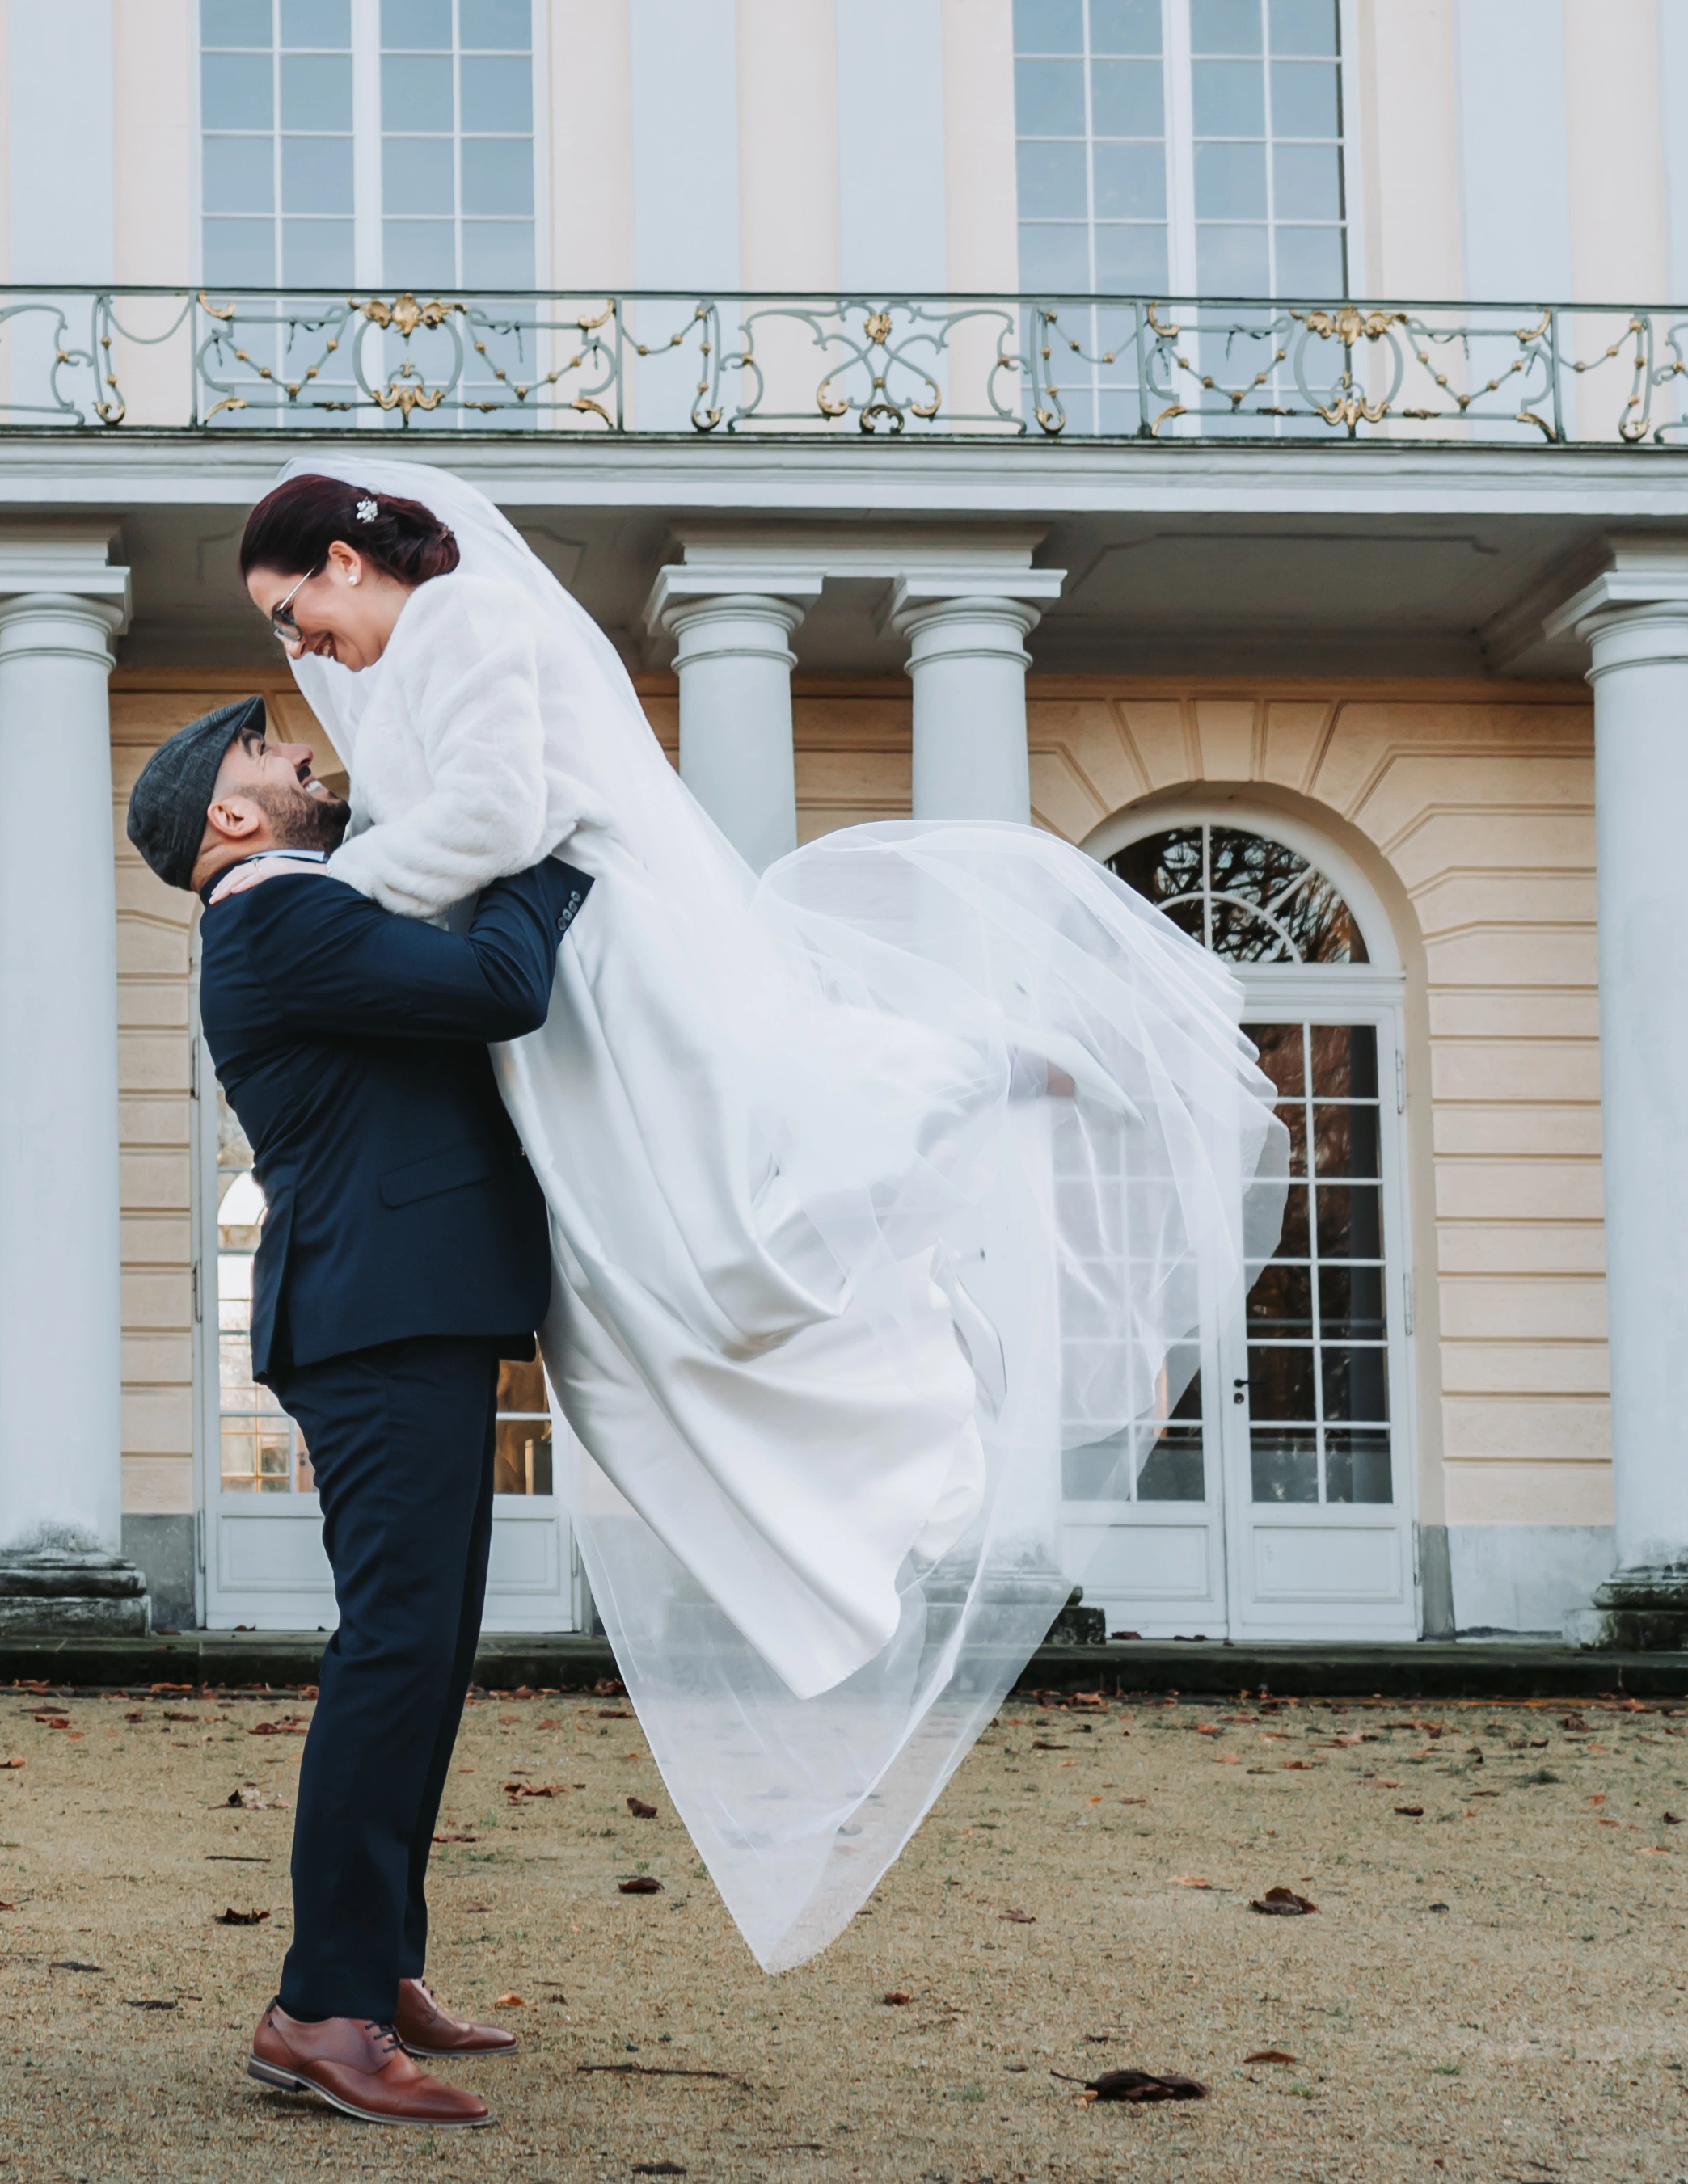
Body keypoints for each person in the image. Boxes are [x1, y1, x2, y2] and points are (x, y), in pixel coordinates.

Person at [234, 460, 1291, 1971]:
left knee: (735, 1226)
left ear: (347, 557)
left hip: (604, 966)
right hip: (557, 996)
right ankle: (862, 1471)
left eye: (296, 615)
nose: (300, 654)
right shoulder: (402, 664)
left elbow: (497, 809)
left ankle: (960, 1076)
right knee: (649, 1294)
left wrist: (339, 893)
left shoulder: (462, 621)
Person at [124, 688, 590, 2131]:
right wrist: (544, 856)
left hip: (415, 1306)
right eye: (275, 749)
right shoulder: (274, 916)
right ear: (230, 810)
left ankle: (380, 1966)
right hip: (381, 1316)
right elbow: (504, 986)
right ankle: (319, 2011)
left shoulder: (299, 911)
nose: (307, 755)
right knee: (392, 1650)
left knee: (427, 1646)